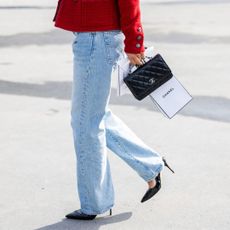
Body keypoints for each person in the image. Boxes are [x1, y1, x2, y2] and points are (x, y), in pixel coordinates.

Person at [53, 0, 174, 220]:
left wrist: (135, 41)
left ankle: (95, 203)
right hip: (92, 35)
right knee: (93, 116)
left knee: (85, 122)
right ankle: (150, 165)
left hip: (97, 38)